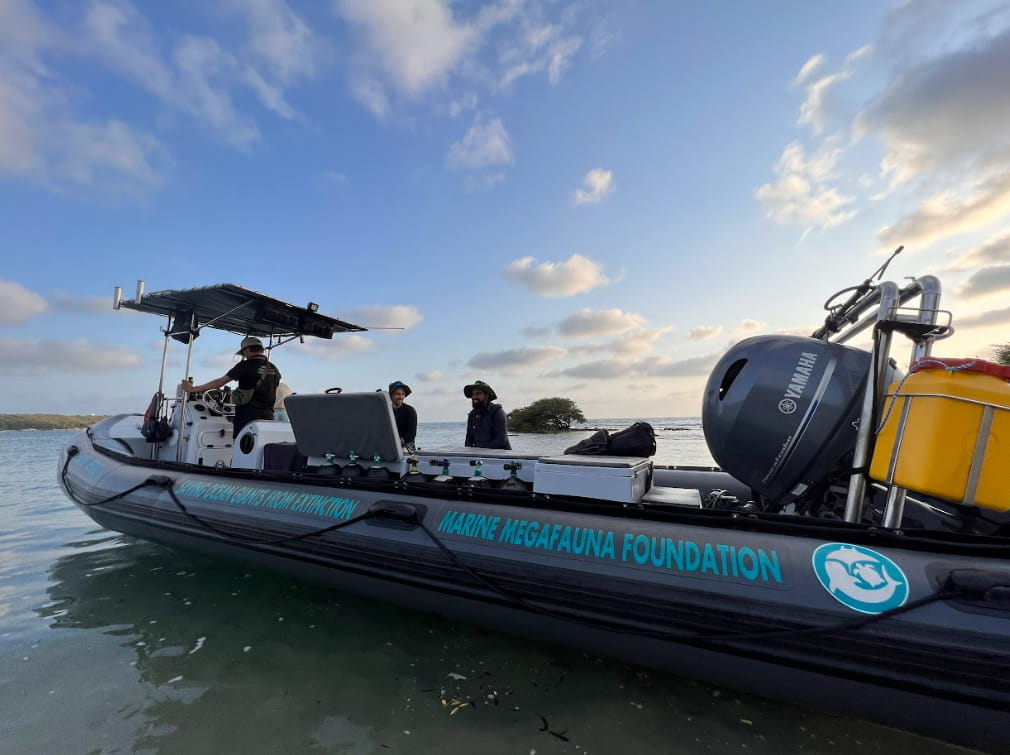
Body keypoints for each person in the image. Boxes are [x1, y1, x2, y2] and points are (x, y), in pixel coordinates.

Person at [181, 336, 281, 438]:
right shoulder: (274, 368)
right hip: (268, 416)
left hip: (247, 415)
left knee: (241, 446)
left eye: (243, 352)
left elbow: (219, 383)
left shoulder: (244, 366)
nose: (244, 355)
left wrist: (192, 389)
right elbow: (274, 391)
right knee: (262, 446)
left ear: (247, 349)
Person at [464, 380, 511, 450]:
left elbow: (501, 441)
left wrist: (480, 450)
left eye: (478, 394)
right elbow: (468, 440)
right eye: (473, 394)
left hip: (500, 456)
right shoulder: (472, 415)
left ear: (487, 396)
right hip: (479, 456)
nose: (474, 397)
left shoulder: (498, 413)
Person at [388, 380, 417, 448]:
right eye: (398, 394)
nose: (401, 397)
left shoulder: (410, 410)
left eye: (403, 394)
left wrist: (398, 443)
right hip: (388, 444)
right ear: (390, 395)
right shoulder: (385, 410)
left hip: (406, 445)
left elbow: (411, 434)